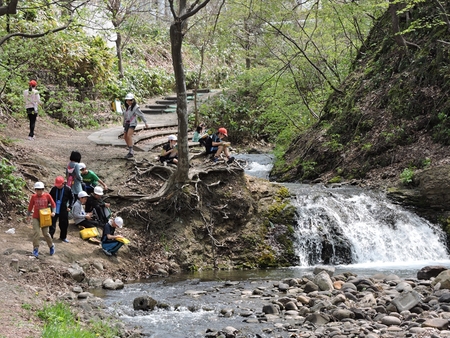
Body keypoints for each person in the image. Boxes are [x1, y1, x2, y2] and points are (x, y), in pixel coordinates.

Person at [26, 181, 56, 258]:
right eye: (37, 190)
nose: (39, 192)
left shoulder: (47, 196)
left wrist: (54, 212)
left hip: (45, 217)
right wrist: (28, 215)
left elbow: (53, 204)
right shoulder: (33, 197)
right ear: (35, 190)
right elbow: (30, 206)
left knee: (46, 233)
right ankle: (35, 249)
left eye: (40, 190)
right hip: (36, 217)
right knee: (36, 233)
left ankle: (51, 246)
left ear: (43, 189)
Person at [122, 93, 149, 159]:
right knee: (125, 137)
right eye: (127, 100)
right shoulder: (127, 107)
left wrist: (145, 122)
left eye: (130, 100)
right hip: (127, 123)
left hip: (132, 123)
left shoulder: (135, 107)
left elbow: (141, 115)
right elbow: (125, 116)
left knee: (129, 135)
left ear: (133, 100)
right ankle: (130, 149)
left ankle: (131, 151)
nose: (128, 102)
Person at [49, 176, 73, 243]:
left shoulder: (68, 189)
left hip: (63, 208)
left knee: (64, 224)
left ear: (63, 183)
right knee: (52, 223)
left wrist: (70, 206)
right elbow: (49, 197)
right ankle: (50, 236)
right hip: (54, 208)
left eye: (59, 185)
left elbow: (72, 199)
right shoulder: (54, 189)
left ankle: (63, 237)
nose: (58, 186)